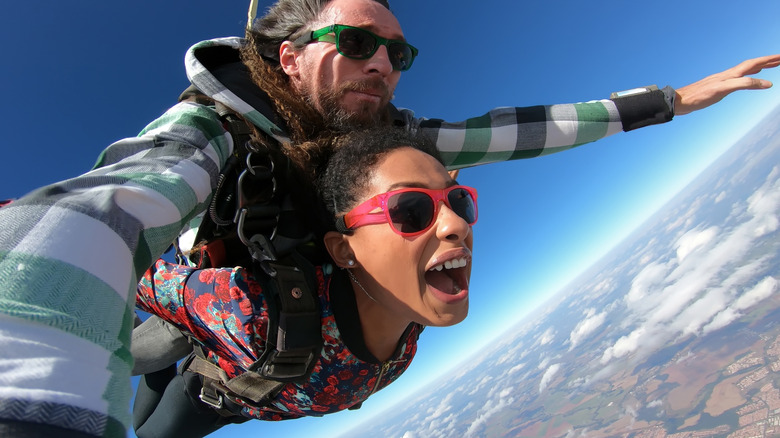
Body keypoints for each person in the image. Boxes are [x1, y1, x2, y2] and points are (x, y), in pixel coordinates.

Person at [0, 0, 777, 436]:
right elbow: (114, 204)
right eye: (357, 42)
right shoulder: (212, 130)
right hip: (190, 302)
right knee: (143, 361)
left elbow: (517, 132)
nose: (381, 63)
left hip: (243, 361)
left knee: (176, 400)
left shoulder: (391, 144)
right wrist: (34, 406)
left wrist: (669, 101)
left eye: (397, 55)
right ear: (289, 57)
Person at [132, 128, 474, 437]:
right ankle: (166, 346)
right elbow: (131, 271)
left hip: (265, 398)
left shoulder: (411, 303)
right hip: (213, 395)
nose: (456, 224)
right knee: (146, 433)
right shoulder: (252, 311)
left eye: (459, 202)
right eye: (411, 210)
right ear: (343, 250)